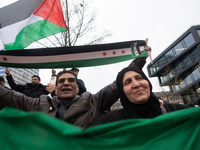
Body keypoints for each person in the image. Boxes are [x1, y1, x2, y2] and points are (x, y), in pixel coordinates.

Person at [0, 39, 151, 128]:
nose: (66, 83)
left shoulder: (94, 102)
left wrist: (141, 57)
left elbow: (119, 82)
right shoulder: (38, 103)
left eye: (71, 80)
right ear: (55, 88)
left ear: (77, 87)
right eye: (62, 81)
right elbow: (6, 95)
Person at [92, 58, 191, 126]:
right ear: (122, 92)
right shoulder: (111, 122)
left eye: (139, 78)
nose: (136, 84)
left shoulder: (175, 112)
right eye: (127, 82)